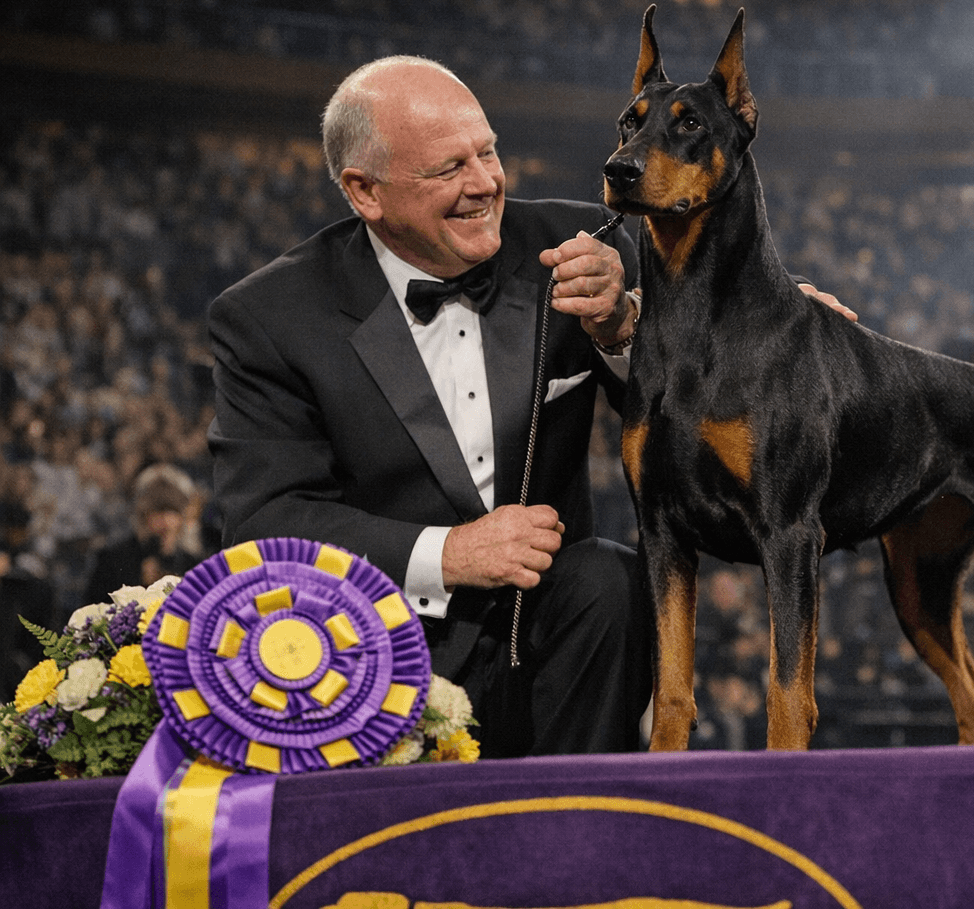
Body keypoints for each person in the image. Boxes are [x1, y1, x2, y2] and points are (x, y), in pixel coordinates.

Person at [207, 56, 654, 757]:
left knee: (608, 576)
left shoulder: (581, 247)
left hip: (549, 635)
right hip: (369, 654)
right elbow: (264, 522)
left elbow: (712, 336)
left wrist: (622, 328)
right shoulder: (271, 316)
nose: (485, 183)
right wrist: (448, 553)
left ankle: (583, 827)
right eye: (448, 169)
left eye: (488, 152)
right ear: (365, 191)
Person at [84, 463, 201, 605]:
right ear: (143, 516)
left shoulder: (193, 564)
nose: (166, 522)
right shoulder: (112, 559)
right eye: (158, 512)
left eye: (173, 512)